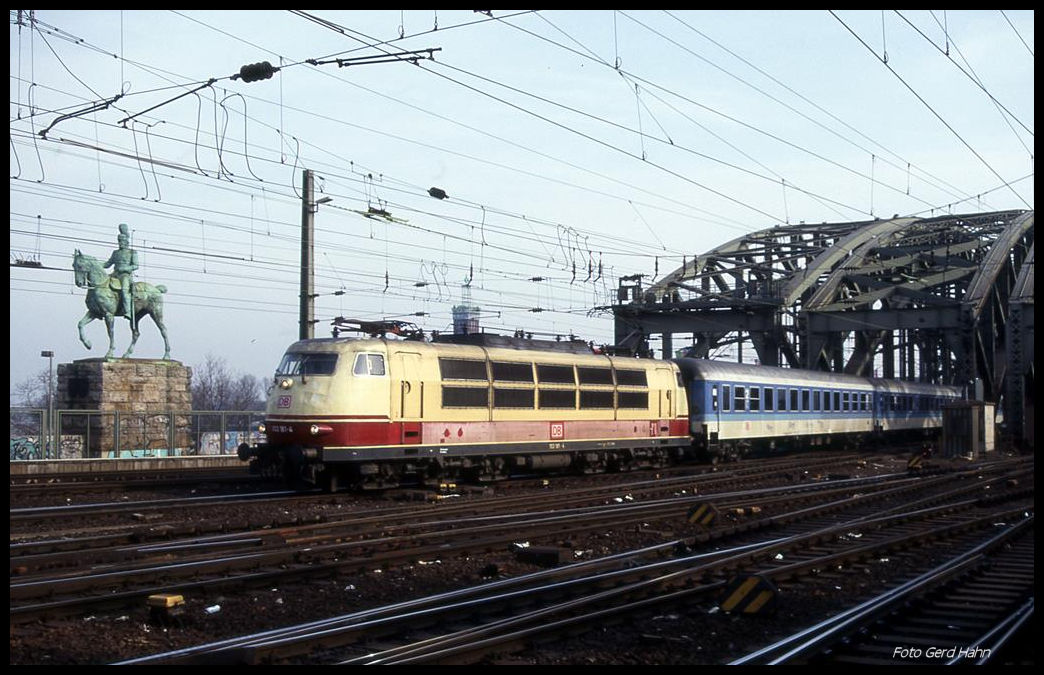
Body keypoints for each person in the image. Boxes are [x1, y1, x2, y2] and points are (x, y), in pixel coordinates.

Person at [104, 223, 139, 321]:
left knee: (124, 290)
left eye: (122, 241)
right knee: (103, 284)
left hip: (125, 275)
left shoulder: (132, 252)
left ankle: (127, 311)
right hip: (115, 274)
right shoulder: (115, 253)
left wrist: (125, 269)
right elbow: (108, 264)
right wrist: (96, 264)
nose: (120, 243)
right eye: (119, 241)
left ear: (126, 242)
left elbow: (136, 265)